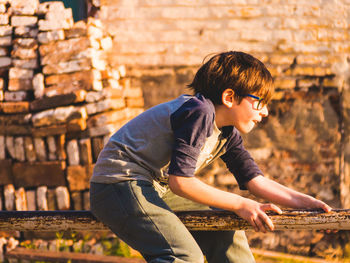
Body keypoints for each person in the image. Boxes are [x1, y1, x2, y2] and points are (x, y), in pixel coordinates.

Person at [90, 51, 332, 263]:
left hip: (155, 188)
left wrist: (307, 202)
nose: (265, 112)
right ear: (229, 97)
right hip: (118, 185)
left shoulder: (228, 133)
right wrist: (241, 203)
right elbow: (181, 182)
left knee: (226, 228)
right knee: (182, 255)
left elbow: (256, 181)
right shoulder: (199, 112)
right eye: (260, 102)